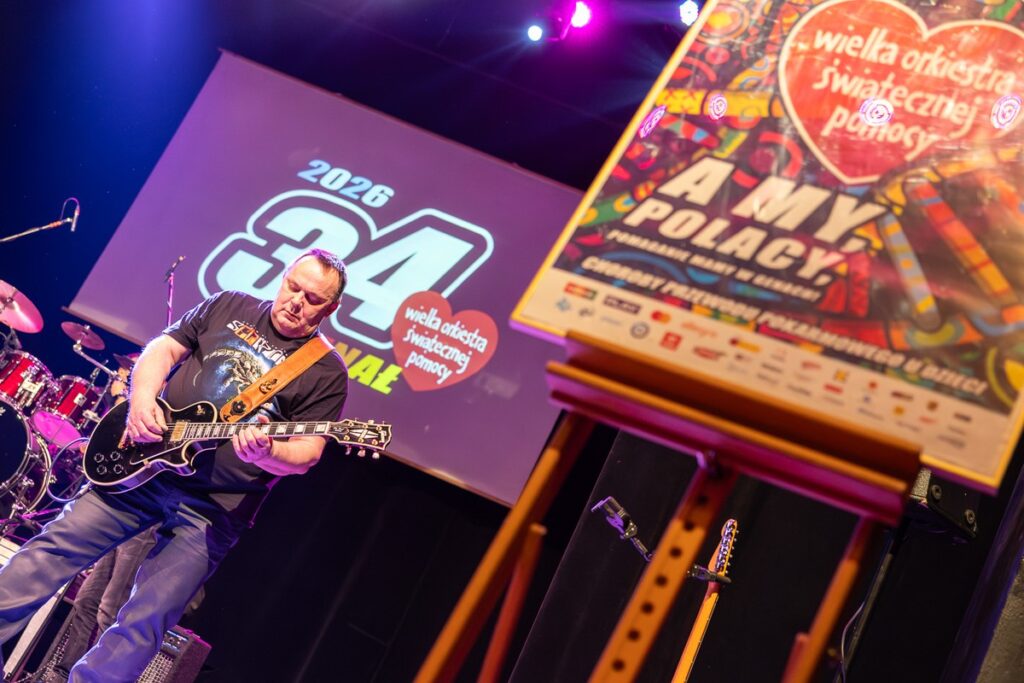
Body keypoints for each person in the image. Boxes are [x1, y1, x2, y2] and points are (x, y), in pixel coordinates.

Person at [0, 249, 349, 682]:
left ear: (331, 308)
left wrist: (269, 454)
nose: (296, 301)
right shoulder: (230, 304)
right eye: (293, 287)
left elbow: (308, 452)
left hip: (210, 509)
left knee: (145, 622)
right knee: (49, 553)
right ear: (283, 277)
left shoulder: (326, 370)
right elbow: (162, 349)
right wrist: (142, 400)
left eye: (312, 299)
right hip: (140, 468)